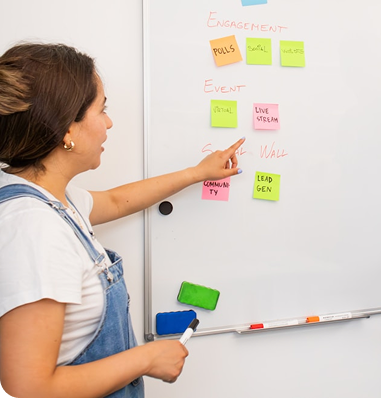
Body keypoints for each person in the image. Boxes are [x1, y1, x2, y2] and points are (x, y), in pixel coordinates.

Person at [0, 42, 245, 398]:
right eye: (101, 110)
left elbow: (116, 201)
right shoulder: (34, 229)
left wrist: (197, 173)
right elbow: (30, 388)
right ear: (67, 130)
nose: (109, 122)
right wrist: (145, 359)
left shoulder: (48, 197)